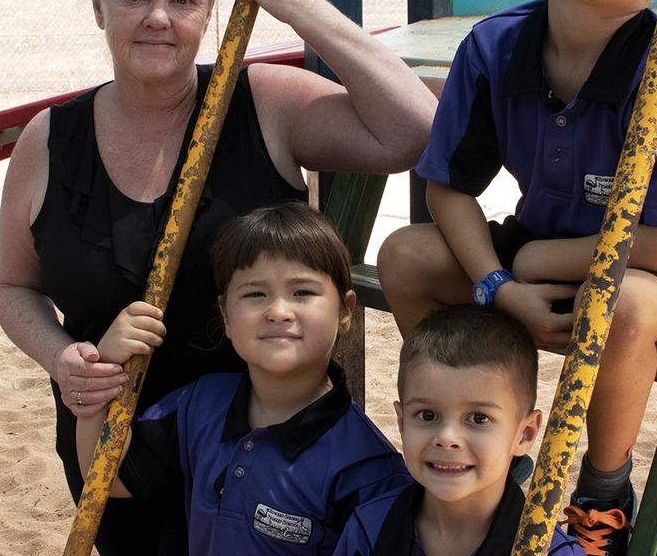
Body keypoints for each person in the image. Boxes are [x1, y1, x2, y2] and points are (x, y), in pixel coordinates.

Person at [0, 0, 435, 554]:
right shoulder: (50, 141)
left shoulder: (261, 104)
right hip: (116, 444)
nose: (158, 19)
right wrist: (63, 361)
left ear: (211, 10)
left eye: (184, 1)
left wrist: (301, 6)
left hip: (262, 450)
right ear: (97, 4)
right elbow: (11, 287)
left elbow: (414, 130)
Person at [376, 0, 657, 554]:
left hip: (648, 279)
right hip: (531, 267)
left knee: (619, 307)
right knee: (405, 256)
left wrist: (539, 258)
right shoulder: (496, 46)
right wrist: (499, 283)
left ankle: (602, 492)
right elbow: (448, 188)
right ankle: (481, 424)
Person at [75, 201, 412, 554]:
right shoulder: (199, 406)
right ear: (225, 315)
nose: (279, 311)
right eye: (255, 294)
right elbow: (108, 478)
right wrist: (106, 365)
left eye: (302, 292)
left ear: (345, 310)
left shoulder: (366, 467)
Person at [333, 306, 584, 555]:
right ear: (401, 423)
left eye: (478, 418)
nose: (447, 438)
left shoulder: (551, 552)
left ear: (525, 434)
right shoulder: (369, 528)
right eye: (427, 415)